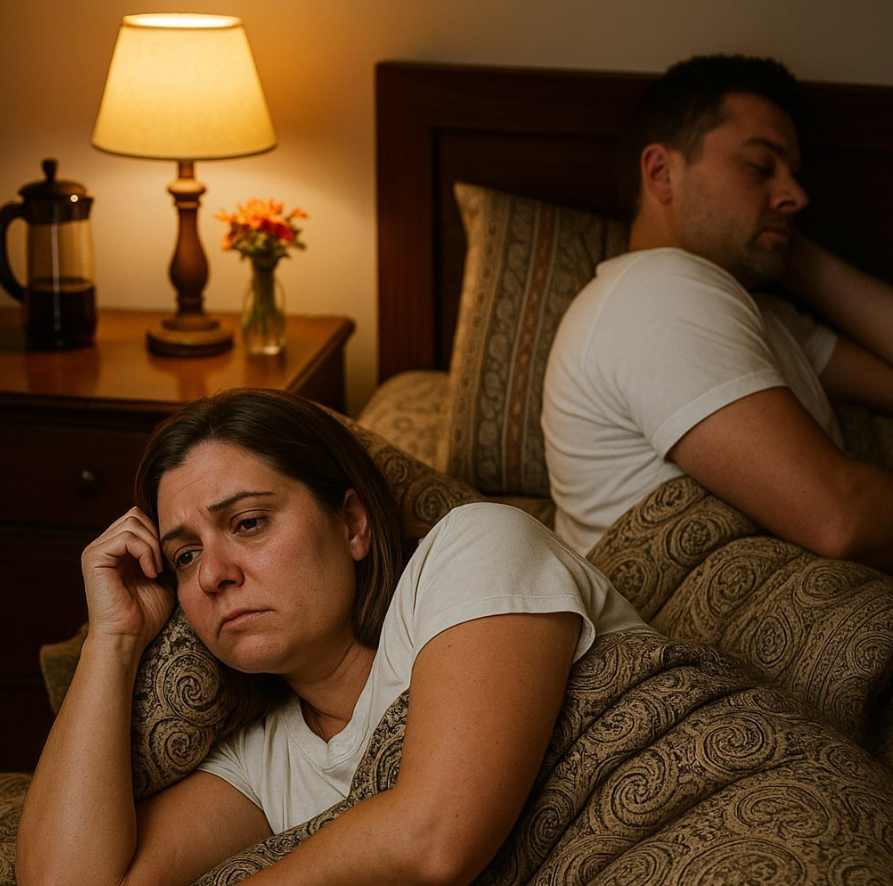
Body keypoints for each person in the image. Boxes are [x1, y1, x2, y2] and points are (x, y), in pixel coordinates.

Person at [16, 388, 649, 886]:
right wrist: (113, 640)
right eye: (184, 555)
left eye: (248, 522)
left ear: (351, 524)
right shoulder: (262, 763)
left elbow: (436, 837)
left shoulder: (474, 548)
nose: (212, 574)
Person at [542, 54, 893, 570]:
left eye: (793, 175)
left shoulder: (754, 312)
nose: (797, 195)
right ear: (661, 172)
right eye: (759, 167)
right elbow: (840, 519)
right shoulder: (657, 292)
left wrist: (799, 260)